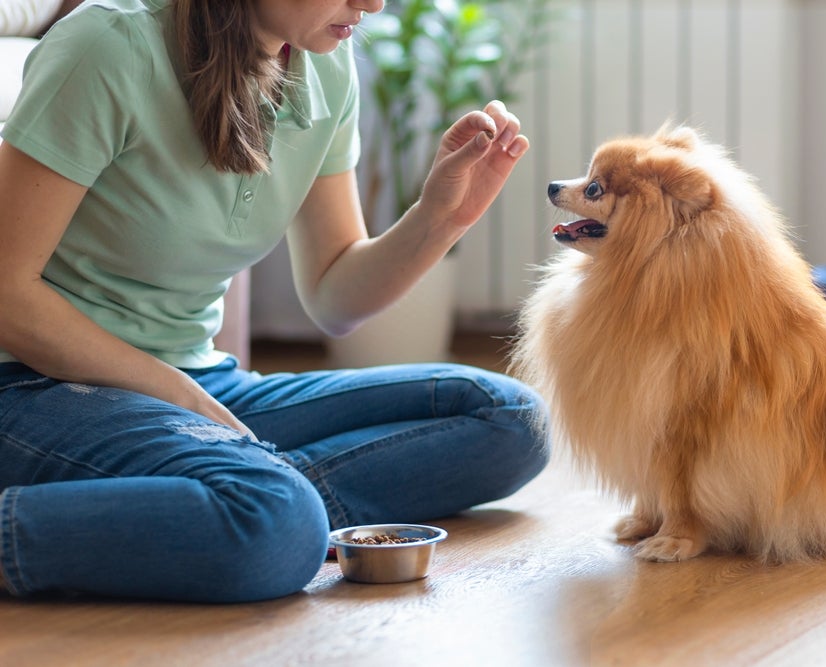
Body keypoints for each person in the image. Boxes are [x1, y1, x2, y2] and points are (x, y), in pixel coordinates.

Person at [0, 0, 549, 603]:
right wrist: (184, 398)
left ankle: (230, 485)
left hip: (200, 384)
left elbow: (334, 295)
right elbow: (7, 297)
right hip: (34, 386)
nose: (372, 4)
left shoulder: (325, 70)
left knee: (510, 418)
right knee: (274, 521)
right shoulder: (109, 46)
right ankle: (252, 493)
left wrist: (439, 220)